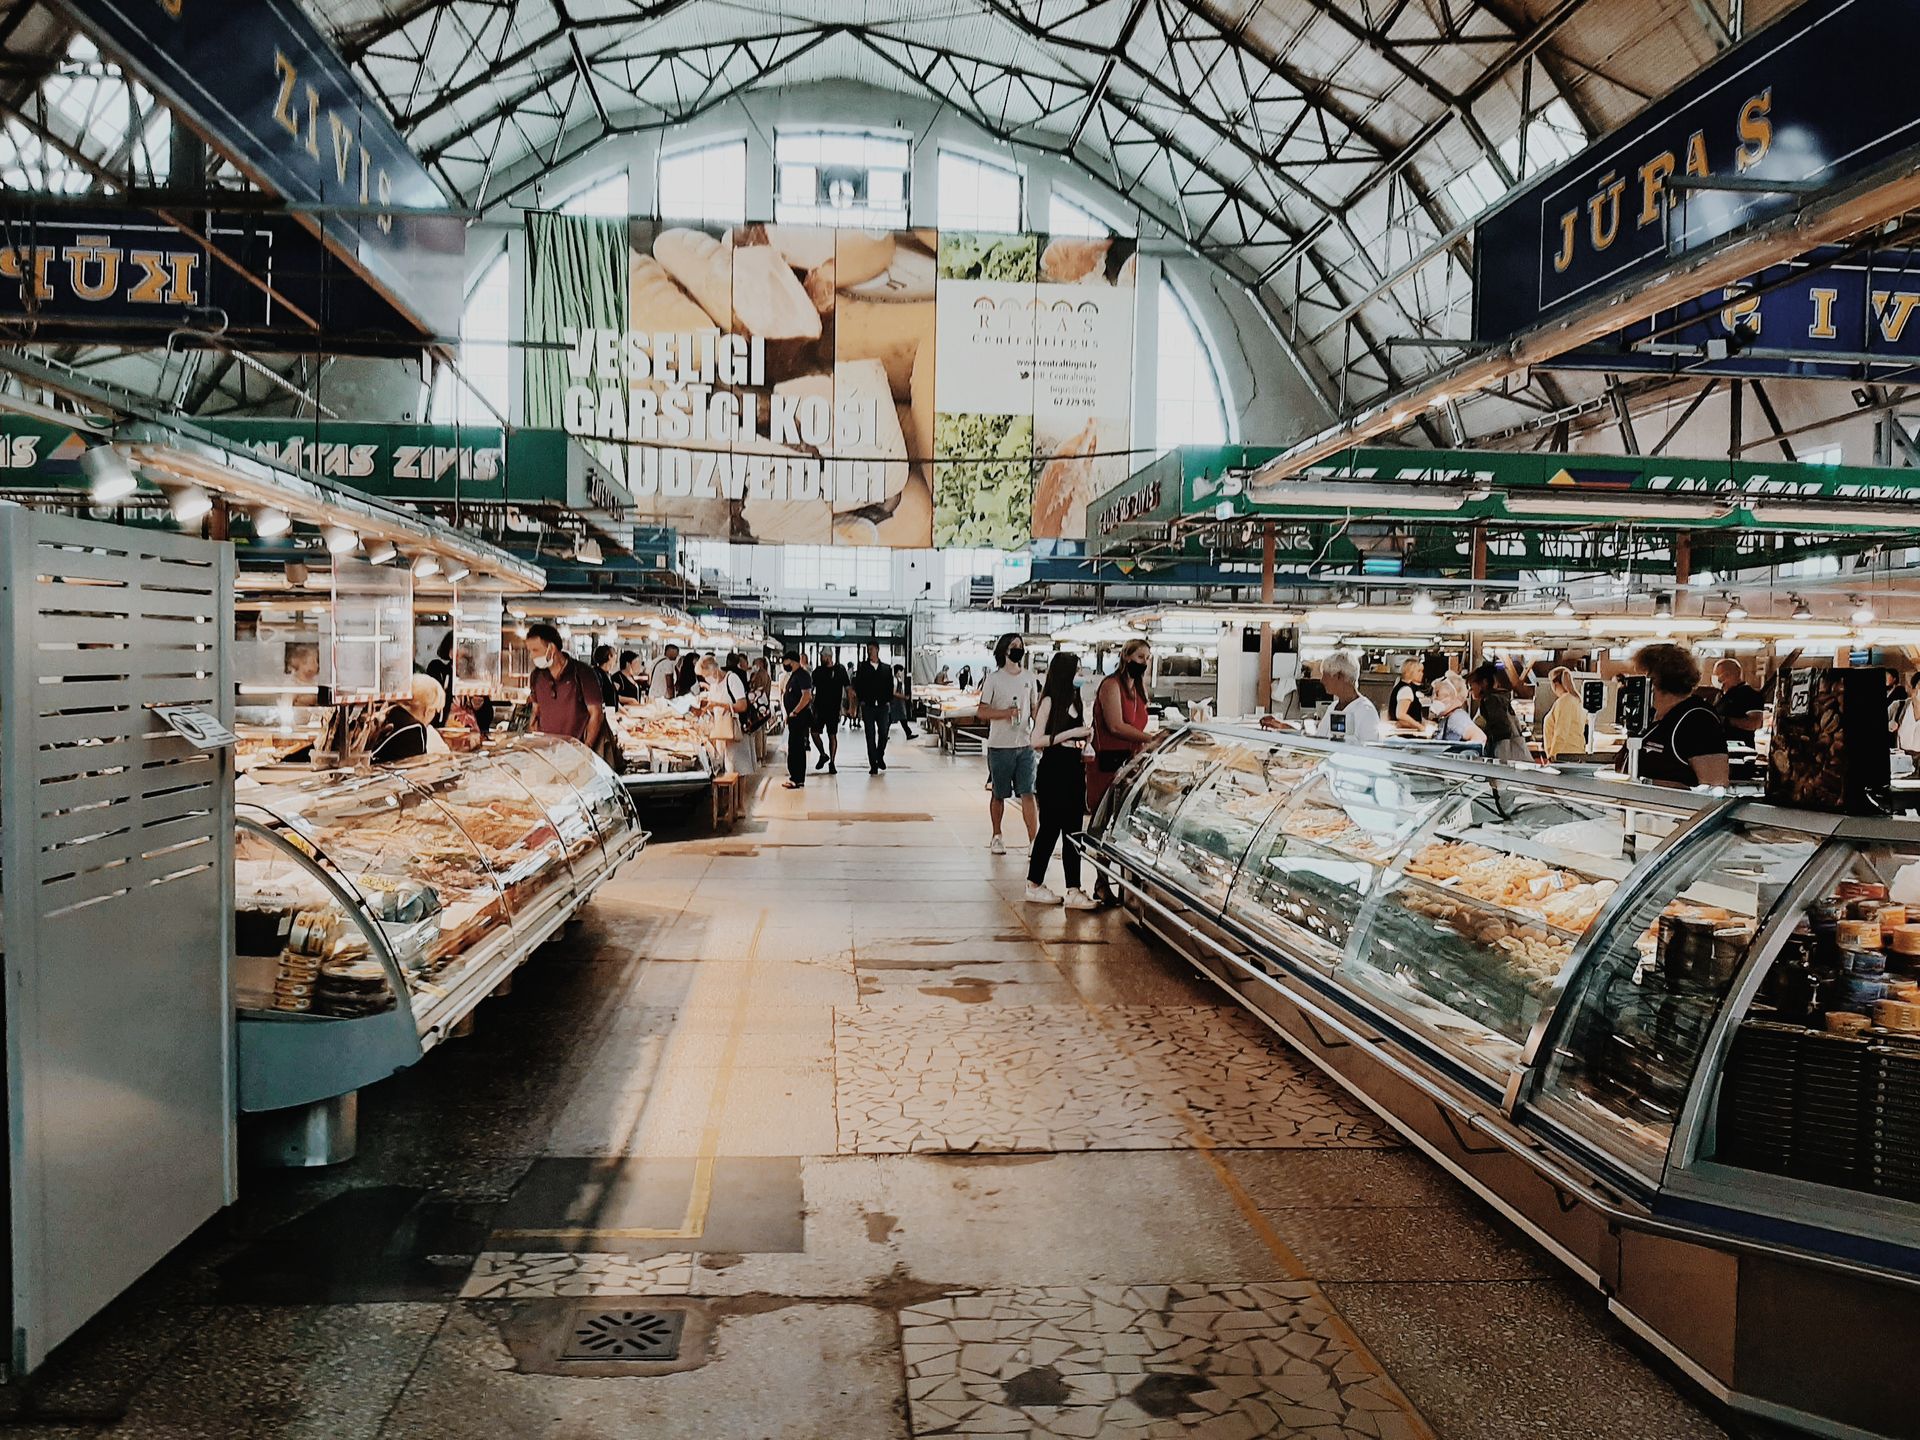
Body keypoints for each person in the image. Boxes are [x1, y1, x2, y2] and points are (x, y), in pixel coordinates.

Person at [1025, 651, 1097, 908]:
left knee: (1073, 831)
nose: (1080, 676)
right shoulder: (1049, 702)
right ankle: (1033, 883)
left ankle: (1074, 888)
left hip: (1073, 768)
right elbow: (1036, 741)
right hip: (1053, 768)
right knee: (1050, 828)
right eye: (1076, 671)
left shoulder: (1076, 701)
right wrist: (1070, 732)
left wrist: (1084, 738)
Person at [1087, 638, 1154, 904]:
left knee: (1126, 825)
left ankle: (1129, 884)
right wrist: (1149, 738)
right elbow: (1115, 726)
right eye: (1140, 658)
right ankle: (1102, 882)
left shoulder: (1138, 690)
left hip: (1131, 766)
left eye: (1147, 659)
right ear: (1126, 657)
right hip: (1108, 766)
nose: (1144, 663)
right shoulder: (1110, 686)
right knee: (1104, 824)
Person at [1625, 643, 1729, 788]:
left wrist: (1648, 784)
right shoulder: (1650, 717)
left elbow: (1715, 786)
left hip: (1671, 809)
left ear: (1654, 679)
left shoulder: (1698, 721)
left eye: (1640, 677)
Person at [979, 632, 1040, 854]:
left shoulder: (1029, 678)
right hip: (1000, 746)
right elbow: (982, 710)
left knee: (1028, 792)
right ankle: (997, 835)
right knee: (999, 792)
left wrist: (1040, 731)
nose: (1018, 649)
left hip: (1025, 744)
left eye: (1020, 645)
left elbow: (1034, 708)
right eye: (1014, 645)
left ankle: (1034, 840)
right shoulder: (994, 679)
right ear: (1004, 650)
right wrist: (1005, 713)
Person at [525, 622, 606, 751]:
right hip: (546, 751)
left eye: (535, 650)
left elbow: (596, 713)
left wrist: (586, 748)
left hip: (574, 751)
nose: (532, 656)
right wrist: (534, 743)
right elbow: (536, 711)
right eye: (530, 651)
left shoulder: (583, 673)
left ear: (551, 648)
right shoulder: (536, 676)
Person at [697, 654, 755, 776]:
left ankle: (739, 795)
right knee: (725, 768)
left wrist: (720, 705)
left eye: (706, 675)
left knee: (738, 769)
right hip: (720, 732)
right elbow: (713, 706)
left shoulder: (732, 679)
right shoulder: (713, 685)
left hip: (733, 731)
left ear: (713, 670)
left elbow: (742, 705)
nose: (706, 678)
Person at [371, 673, 451, 762]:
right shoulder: (415, 730)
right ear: (427, 711)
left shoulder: (392, 713)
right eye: (436, 711)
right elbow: (413, 773)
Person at [1314, 650, 1381, 744]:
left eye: (1326, 675)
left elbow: (1370, 752)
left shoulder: (1366, 711)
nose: (1322, 680)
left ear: (1340, 676)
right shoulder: (1332, 707)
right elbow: (1319, 740)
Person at [1467, 661, 1528, 762]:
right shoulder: (1501, 698)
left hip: (1503, 752)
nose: (1470, 690)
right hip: (1512, 750)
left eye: (1471, 685)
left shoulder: (1490, 700)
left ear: (1484, 683)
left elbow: (1501, 730)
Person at [854, 643, 895, 774]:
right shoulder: (863, 667)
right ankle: (873, 764)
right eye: (868, 650)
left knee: (883, 733)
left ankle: (879, 756)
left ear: (877, 650)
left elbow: (890, 686)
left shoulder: (886, 668)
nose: (869, 652)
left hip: (883, 706)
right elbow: (858, 685)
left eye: (871, 649)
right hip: (868, 706)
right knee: (870, 735)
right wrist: (862, 701)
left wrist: (888, 701)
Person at [812, 647, 849, 774]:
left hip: (833, 708)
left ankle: (832, 762)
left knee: (832, 735)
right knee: (814, 733)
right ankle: (823, 754)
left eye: (823, 656)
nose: (821, 658)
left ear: (828, 657)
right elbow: (811, 688)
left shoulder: (840, 670)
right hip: (819, 707)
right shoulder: (818, 671)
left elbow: (848, 687)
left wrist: (849, 705)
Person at [780, 652, 814, 789]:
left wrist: (795, 711)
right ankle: (796, 777)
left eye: (785, 663)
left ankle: (796, 777)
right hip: (794, 718)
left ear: (792, 661)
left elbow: (807, 696)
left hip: (799, 717)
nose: (784, 666)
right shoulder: (793, 675)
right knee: (794, 746)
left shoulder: (803, 675)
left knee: (796, 747)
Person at [1712, 658, 1766, 740]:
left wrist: (1727, 721)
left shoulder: (1749, 694)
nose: (1716, 679)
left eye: (1717, 675)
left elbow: (1755, 723)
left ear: (1727, 675)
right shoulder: (1721, 695)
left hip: (1739, 748)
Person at [1542, 667, 1587, 761]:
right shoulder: (1578, 700)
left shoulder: (1564, 701)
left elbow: (1561, 732)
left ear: (1555, 684)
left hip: (1564, 756)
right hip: (1576, 754)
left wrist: (1553, 756)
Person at [1386, 657, 1427, 731]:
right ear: (1410, 672)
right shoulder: (1406, 690)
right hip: (1405, 734)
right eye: (1419, 671)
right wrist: (1420, 726)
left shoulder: (1401, 686)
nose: (1422, 674)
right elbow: (1401, 714)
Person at [426, 632, 455, 723]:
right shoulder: (437, 669)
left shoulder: (476, 679)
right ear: (450, 652)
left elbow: (487, 717)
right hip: (442, 730)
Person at [591, 644, 623, 711]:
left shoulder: (608, 674)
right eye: (615, 655)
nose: (616, 659)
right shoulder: (597, 674)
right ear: (609, 656)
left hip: (611, 714)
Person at [891, 664, 915, 741]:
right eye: (901, 671)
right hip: (896, 702)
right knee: (894, 718)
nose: (901, 673)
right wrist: (903, 697)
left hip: (899, 701)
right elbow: (894, 692)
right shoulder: (895, 680)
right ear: (898, 671)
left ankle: (908, 733)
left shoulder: (899, 679)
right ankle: (908, 733)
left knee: (901, 718)